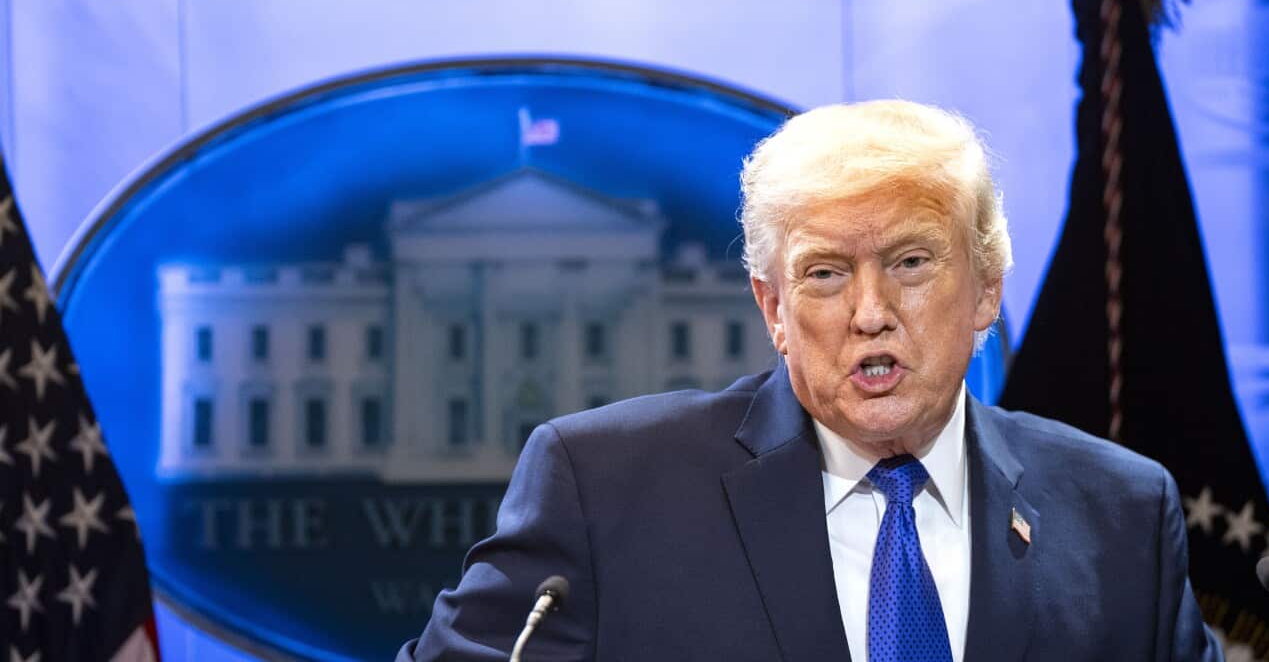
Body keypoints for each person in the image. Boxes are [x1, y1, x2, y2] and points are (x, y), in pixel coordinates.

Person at [396, 100, 1222, 661]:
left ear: (987, 289)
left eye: (910, 262)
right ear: (774, 308)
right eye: (825, 274)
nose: (870, 312)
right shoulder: (604, 488)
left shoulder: (1122, 514)